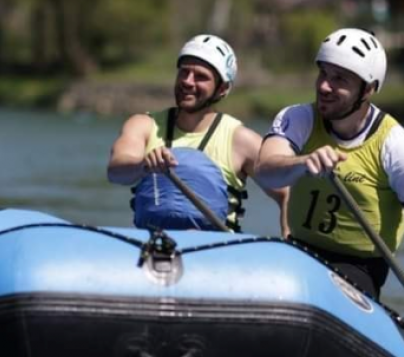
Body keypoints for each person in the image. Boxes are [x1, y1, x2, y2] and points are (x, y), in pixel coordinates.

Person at [256, 28, 404, 330]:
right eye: (323, 73)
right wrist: (303, 162)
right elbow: (266, 169)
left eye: (340, 79)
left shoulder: (395, 143)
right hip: (299, 251)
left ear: (367, 89)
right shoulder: (299, 118)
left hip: (359, 267)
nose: (325, 86)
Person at [107, 34, 289, 234]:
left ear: (222, 89)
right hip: (153, 249)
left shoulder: (242, 140)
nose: (188, 81)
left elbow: (287, 193)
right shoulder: (143, 125)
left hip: (214, 253)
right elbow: (115, 172)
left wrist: (289, 240)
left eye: (200, 77)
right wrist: (144, 165)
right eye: (184, 72)